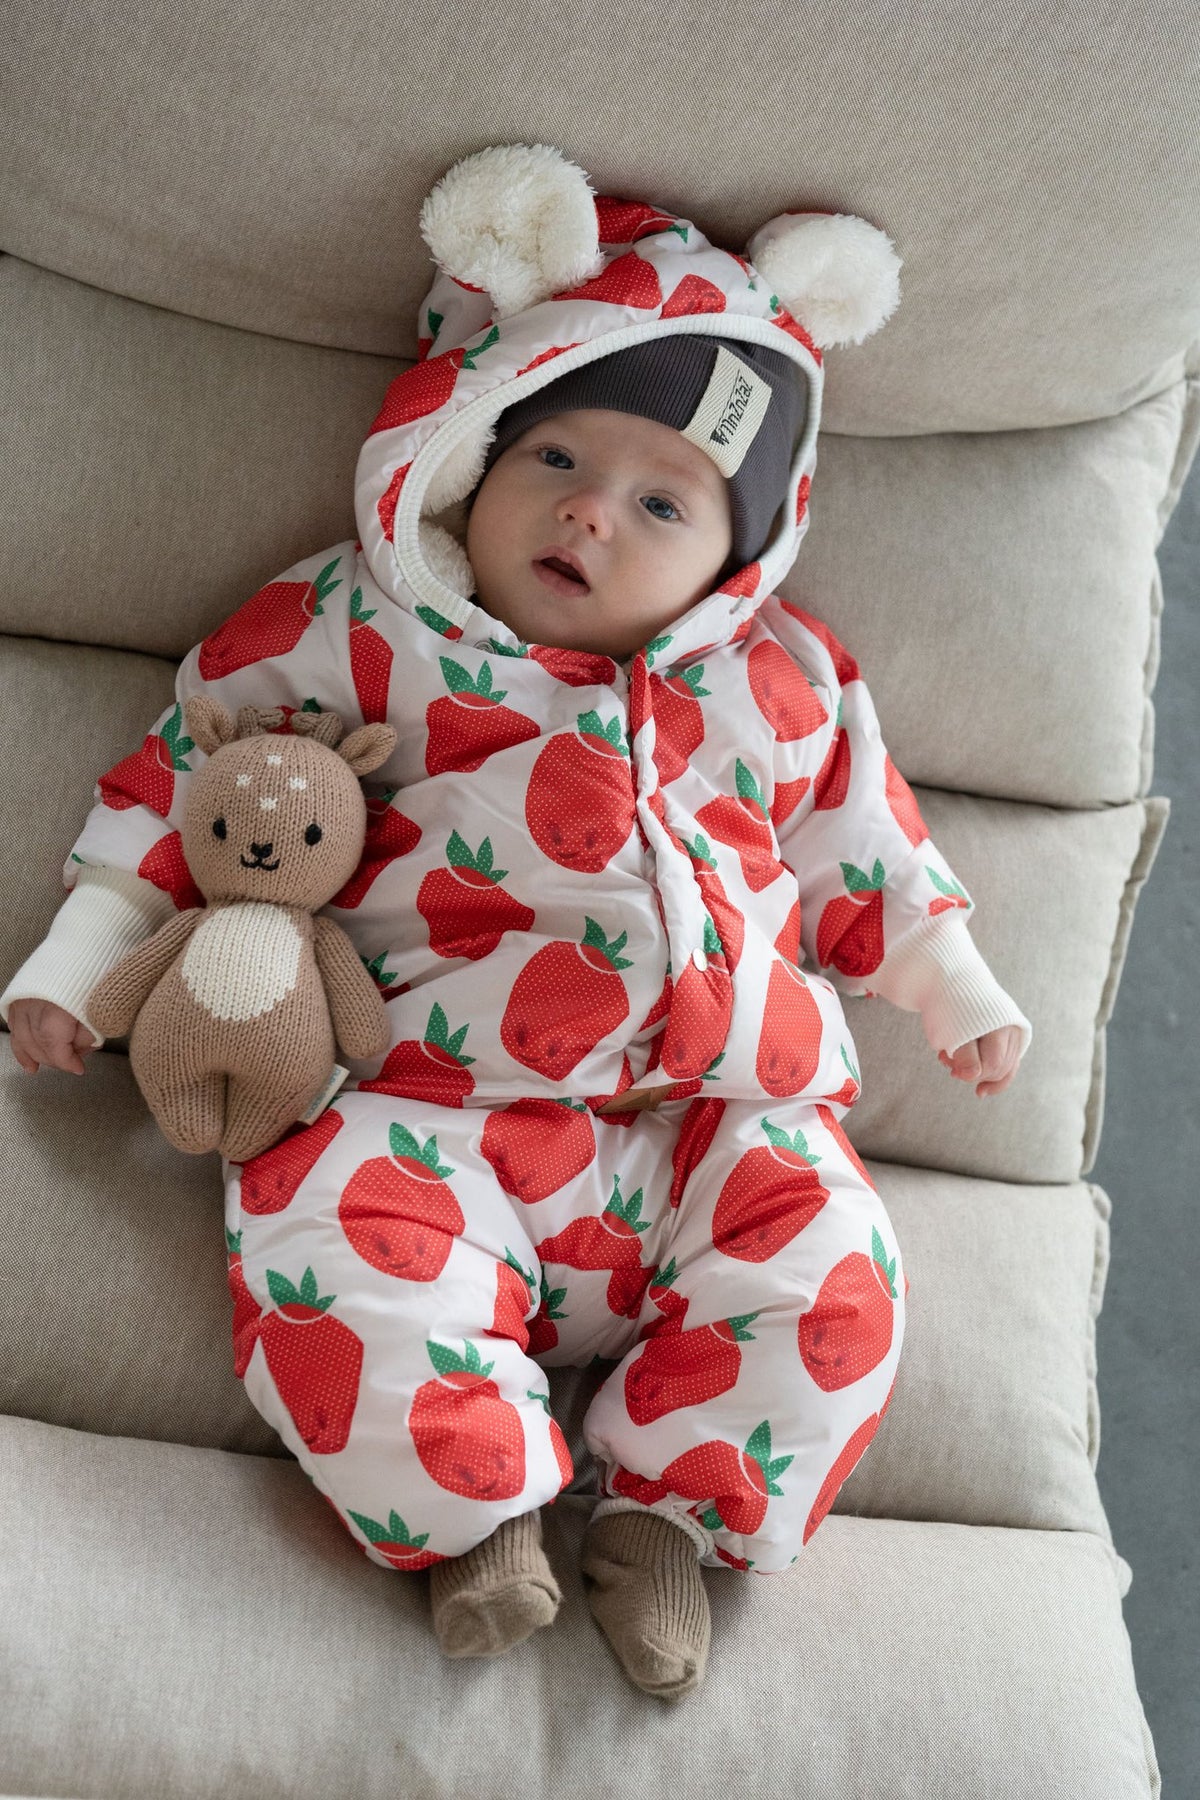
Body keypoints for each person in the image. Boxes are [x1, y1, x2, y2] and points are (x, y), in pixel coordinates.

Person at [1, 151, 1030, 1702]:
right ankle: (479, 1519)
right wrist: (81, 959)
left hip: (715, 1122)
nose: (590, 516)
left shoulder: (782, 681)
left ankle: (669, 1522)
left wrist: (952, 983)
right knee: (323, 1256)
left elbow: (859, 846)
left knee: (837, 1275)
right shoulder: (353, 625)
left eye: (663, 502)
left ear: (737, 556)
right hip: (422, 1108)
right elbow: (189, 774)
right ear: (467, 455)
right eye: (553, 457)